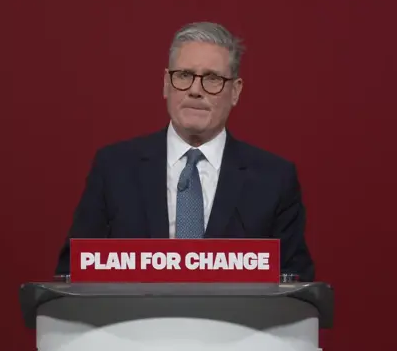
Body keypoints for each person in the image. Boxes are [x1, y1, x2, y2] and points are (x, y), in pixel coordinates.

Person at [54, 21, 315, 281]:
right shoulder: (114, 169)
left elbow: (295, 286)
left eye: (212, 79)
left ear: (235, 92)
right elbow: (72, 273)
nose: (195, 90)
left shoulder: (274, 180)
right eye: (184, 75)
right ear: (166, 84)